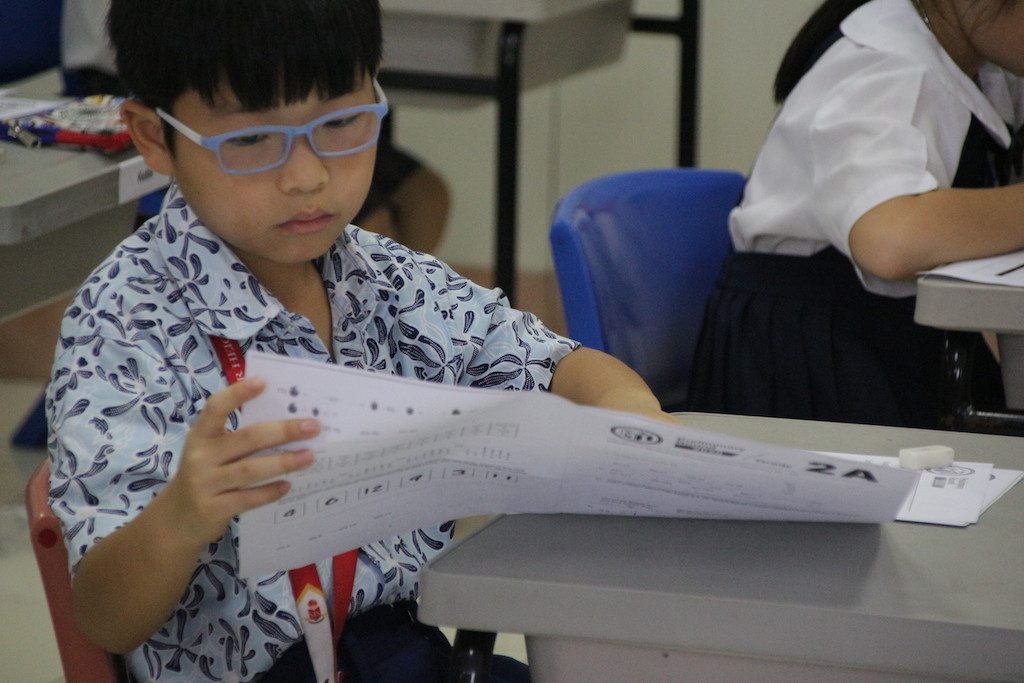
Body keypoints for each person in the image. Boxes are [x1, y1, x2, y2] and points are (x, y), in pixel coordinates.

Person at [44, 1, 668, 681]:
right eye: (251, 140)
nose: (307, 176)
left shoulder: (387, 280)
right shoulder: (123, 322)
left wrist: (633, 420)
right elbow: (105, 619)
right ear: (154, 137)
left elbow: (561, 366)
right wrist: (180, 518)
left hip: (403, 653)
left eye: (340, 123)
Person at [686, 0, 1024, 429]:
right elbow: (890, 239)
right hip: (808, 366)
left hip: (879, 344)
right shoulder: (882, 64)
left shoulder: (981, 61)